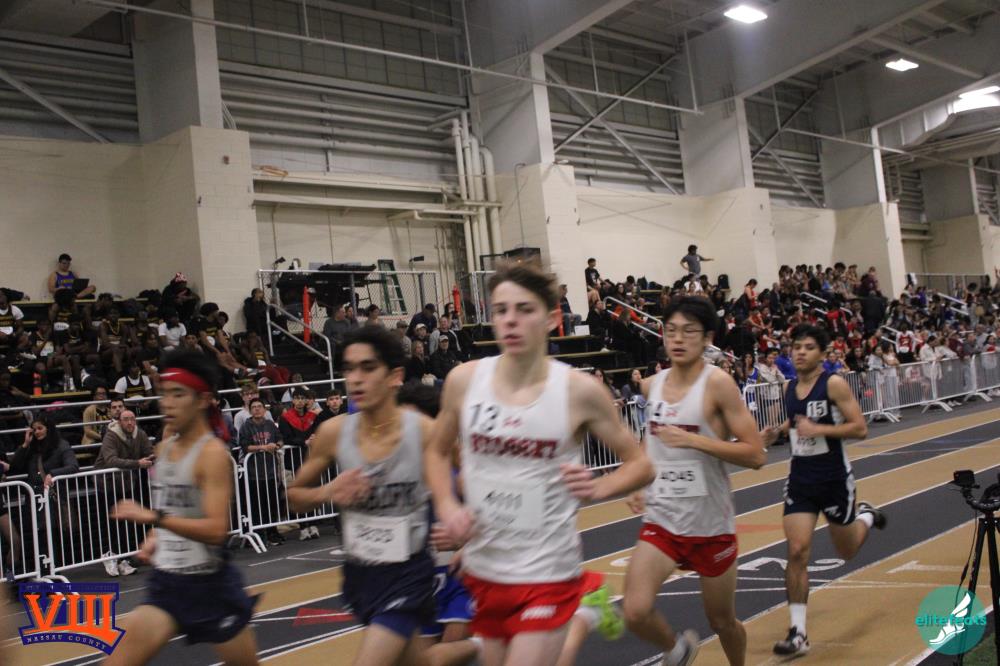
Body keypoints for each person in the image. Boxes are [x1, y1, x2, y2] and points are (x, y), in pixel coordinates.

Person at [425, 262, 654, 666]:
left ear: (551, 318)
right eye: (501, 310)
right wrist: (447, 506)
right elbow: (437, 450)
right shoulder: (465, 380)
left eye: (524, 309)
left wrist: (599, 487)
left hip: (548, 570)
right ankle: (585, 614)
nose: (511, 320)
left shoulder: (579, 391)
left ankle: (578, 609)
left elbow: (641, 463)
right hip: (487, 567)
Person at [623, 297, 765, 666]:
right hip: (663, 519)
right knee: (635, 610)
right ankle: (677, 649)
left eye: (689, 331)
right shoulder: (653, 385)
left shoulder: (717, 384)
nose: (678, 339)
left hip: (709, 524)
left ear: (707, 338)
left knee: (721, 621)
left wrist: (695, 441)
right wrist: (639, 481)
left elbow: (755, 454)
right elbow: (651, 437)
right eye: (671, 330)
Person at [287, 326, 437, 666]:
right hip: (361, 572)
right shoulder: (333, 432)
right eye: (349, 369)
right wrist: (328, 491)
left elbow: (467, 481)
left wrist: (457, 520)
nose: (355, 379)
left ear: (395, 376)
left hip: (409, 572)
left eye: (368, 368)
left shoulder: (423, 431)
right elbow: (293, 497)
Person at [106, 350, 259, 665]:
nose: (168, 403)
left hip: (210, 584)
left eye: (178, 394)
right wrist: (154, 537)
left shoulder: (212, 455)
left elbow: (216, 530)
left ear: (202, 400)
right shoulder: (164, 448)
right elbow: (173, 510)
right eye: (164, 394)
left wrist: (153, 517)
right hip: (168, 583)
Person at [762, 324, 887, 657]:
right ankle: (798, 633)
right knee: (797, 550)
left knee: (846, 550)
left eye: (808, 347)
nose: (800, 352)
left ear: (821, 354)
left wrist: (818, 429)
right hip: (801, 480)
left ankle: (866, 516)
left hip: (834, 480)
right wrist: (776, 432)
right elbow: (794, 421)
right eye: (796, 347)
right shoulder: (788, 387)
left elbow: (860, 428)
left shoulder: (833, 384)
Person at [95, 410, 154, 577]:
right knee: (111, 522)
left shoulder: (139, 434)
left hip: (127, 483)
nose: (129, 422)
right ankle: (109, 555)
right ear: (119, 421)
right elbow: (111, 460)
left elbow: (148, 451)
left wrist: (153, 457)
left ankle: (124, 559)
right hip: (107, 484)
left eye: (132, 419)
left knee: (126, 522)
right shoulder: (111, 436)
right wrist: (137, 463)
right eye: (126, 419)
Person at [239, 398, 285, 547]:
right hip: (253, 473)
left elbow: (280, 439)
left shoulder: (270, 424)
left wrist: (276, 445)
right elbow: (245, 446)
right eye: (254, 407)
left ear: (264, 409)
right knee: (256, 505)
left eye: (260, 406)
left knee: (271, 504)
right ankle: (259, 533)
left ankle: (272, 532)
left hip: (270, 471)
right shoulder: (246, 426)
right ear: (250, 410)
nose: (257, 409)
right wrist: (263, 447)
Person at [279, 388, 318, 540]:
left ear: (307, 400)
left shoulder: (312, 416)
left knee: (312, 490)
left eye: (303, 398)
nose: (300, 401)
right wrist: (304, 442)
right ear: (293, 400)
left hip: (310, 457)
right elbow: (286, 437)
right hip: (294, 459)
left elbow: (316, 431)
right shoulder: (285, 418)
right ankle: (303, 526)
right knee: (300, 492)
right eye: (297, 398)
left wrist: (314, 437)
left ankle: (313, 523)